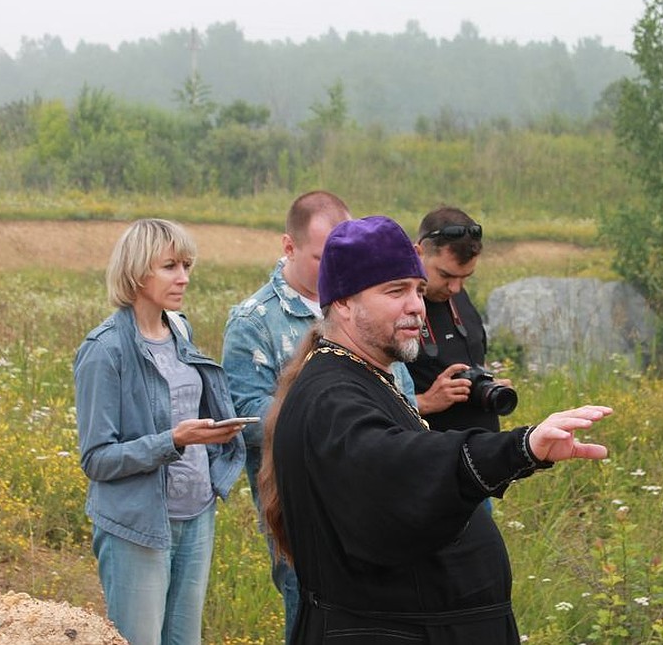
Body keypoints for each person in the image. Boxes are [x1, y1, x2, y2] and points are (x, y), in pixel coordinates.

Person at [258, 215, 611, 644]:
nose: (417, 307)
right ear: (345, 302)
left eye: (419, 290)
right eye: (396, 291)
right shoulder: (331, 395)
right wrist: (520, 448)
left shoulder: (358, 377)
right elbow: (401, 466)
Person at [220, 191, 415, 642]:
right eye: (321, 256)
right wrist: (333, 424)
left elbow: (400, 395)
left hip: (376, 497)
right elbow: (246, 416)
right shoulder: (255, 321)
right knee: (312, 613)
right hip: (302, 506)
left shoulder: (370, 306)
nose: (334, 268)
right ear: (288, 247)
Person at [74, 218, 246, 645]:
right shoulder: (104, 350)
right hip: (138, 524)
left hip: (197, 514)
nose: (184, 277)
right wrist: (174, 440)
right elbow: (96, 459)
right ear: (136, 270)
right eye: (170, 266)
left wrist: (214, 433)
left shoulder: (180, 330)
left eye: (187, 265)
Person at [409, 206, 509, 432]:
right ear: (418, 253)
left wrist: (486, 385)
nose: (455, 288)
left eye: (465, 278)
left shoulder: (457, 294)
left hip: (481, 450)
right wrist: (425, 402)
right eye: (446, 275)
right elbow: (370, 400)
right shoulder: (391, 306)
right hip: (428, 452)